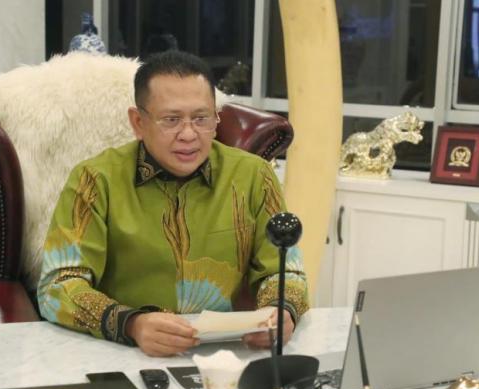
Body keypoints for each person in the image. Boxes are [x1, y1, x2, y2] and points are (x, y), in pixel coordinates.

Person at [37, 50, 309, 357]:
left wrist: (281, 311)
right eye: (171, 120)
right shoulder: (95, 180)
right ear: (138, 122)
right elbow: (58, 286)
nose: (189, 135)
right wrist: (131, 324)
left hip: (226, 355)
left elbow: (286, 271)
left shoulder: (253, 176)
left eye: (201, 118)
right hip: (124, 351)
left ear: (216, 119)